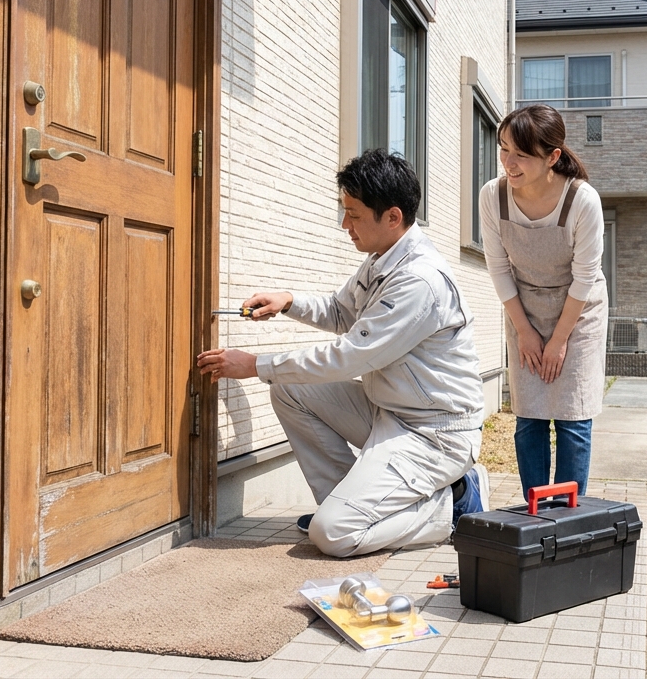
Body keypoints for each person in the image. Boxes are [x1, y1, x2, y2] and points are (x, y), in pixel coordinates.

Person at [197, 149, 488, 558]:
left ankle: (454, 505)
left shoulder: (420, 281)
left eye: (353, 214)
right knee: (289, 390)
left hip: (433, 434)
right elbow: (341, 311)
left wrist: (256, 365)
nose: (344, 224)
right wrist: (289, 301)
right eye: (343, 210)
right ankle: (344, 504)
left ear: (392, 217)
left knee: (334, 536)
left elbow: (351, 356)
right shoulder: (381, 260)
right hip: (390, 413)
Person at [478, 104, 608, 500]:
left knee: (572, 419)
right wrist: (525, 332)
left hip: (579, 312)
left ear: (553, 156)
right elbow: (499, 269)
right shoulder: (493, 196)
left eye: (520, 154)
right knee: (529, 418)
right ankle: (538, 517)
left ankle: (568, 518)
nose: (508, 163)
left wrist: (559, 339)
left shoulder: (582, 200)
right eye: (503, 149)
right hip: (524, 307)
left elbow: (585, 277)